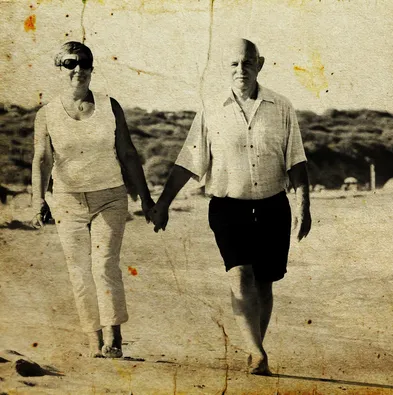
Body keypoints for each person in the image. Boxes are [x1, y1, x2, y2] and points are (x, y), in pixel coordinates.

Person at [150, 38, 311, 375]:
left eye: (248, 62)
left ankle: (255, 350)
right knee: (240, 276)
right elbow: (189, 161)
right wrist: (163, 203)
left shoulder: (281, 106)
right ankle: (257, 352)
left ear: (260, 64)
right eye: (235, 63)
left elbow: (296, 160)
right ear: (227, 67)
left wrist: (303, 206)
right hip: (227, 207)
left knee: (264, 282)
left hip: (273, 206)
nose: (242, 69)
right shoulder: (211, 108)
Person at [31, 41, 155, 358]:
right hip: (67, 201)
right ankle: (93, 337)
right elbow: (42, 160)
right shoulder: (46, 115)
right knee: (79, 270)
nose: (78, 70)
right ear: (59, 69)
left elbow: (128, 154)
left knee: (104, 264)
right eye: (70, 63)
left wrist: (146, 199)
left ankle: (113, 339)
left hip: (110, 198)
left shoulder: (109, 106)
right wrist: (38, 200)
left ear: (92, 68)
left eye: (85, 63)